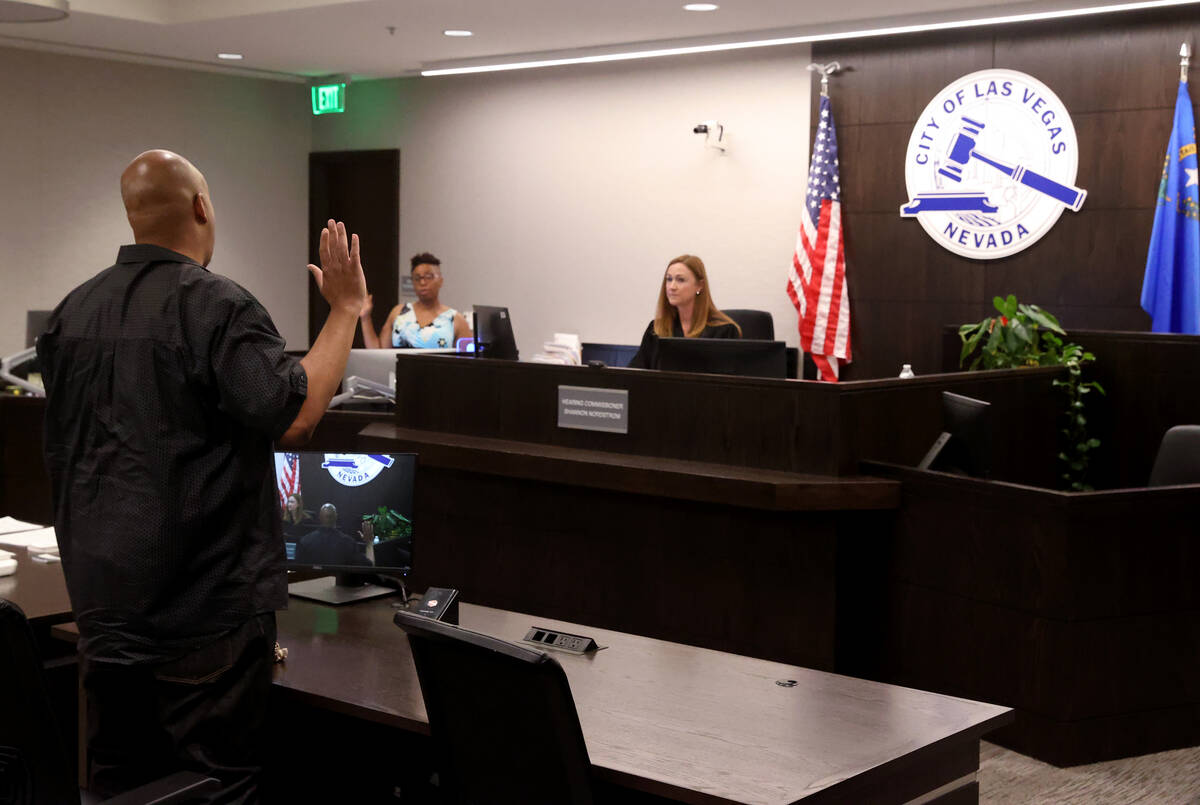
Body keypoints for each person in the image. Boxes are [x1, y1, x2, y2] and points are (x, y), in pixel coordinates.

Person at [37, 149, 367, 803]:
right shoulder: (216, 306)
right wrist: (346, 308)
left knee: (121, 786)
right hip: (205, 622)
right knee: (213, 786)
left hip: (105, 617)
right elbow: (296, 417)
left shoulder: (70, 314)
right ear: (200, 207)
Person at [627, 254, 741, 369]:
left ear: (699, 286)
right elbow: (635, 372)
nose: (672, 286)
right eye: (669, 279)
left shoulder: (725, 331)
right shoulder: (656, 328)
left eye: (680, 280)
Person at [359, 252, 471, 349]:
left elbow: (468, 361)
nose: (422, 282)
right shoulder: (399, 313)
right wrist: (365, 317)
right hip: (400, 373)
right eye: (417, 278)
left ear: (440, 280)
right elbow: (378, 352)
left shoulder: (455, 319)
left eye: (429, 276)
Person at [295, 504, 372, 567]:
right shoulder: (349, 543)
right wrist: (369, 544)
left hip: (309, 584)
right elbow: (368, 568)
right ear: (336, 517)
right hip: (340, 584)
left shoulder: (304, 542)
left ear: (319, 518)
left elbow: (298, 570)